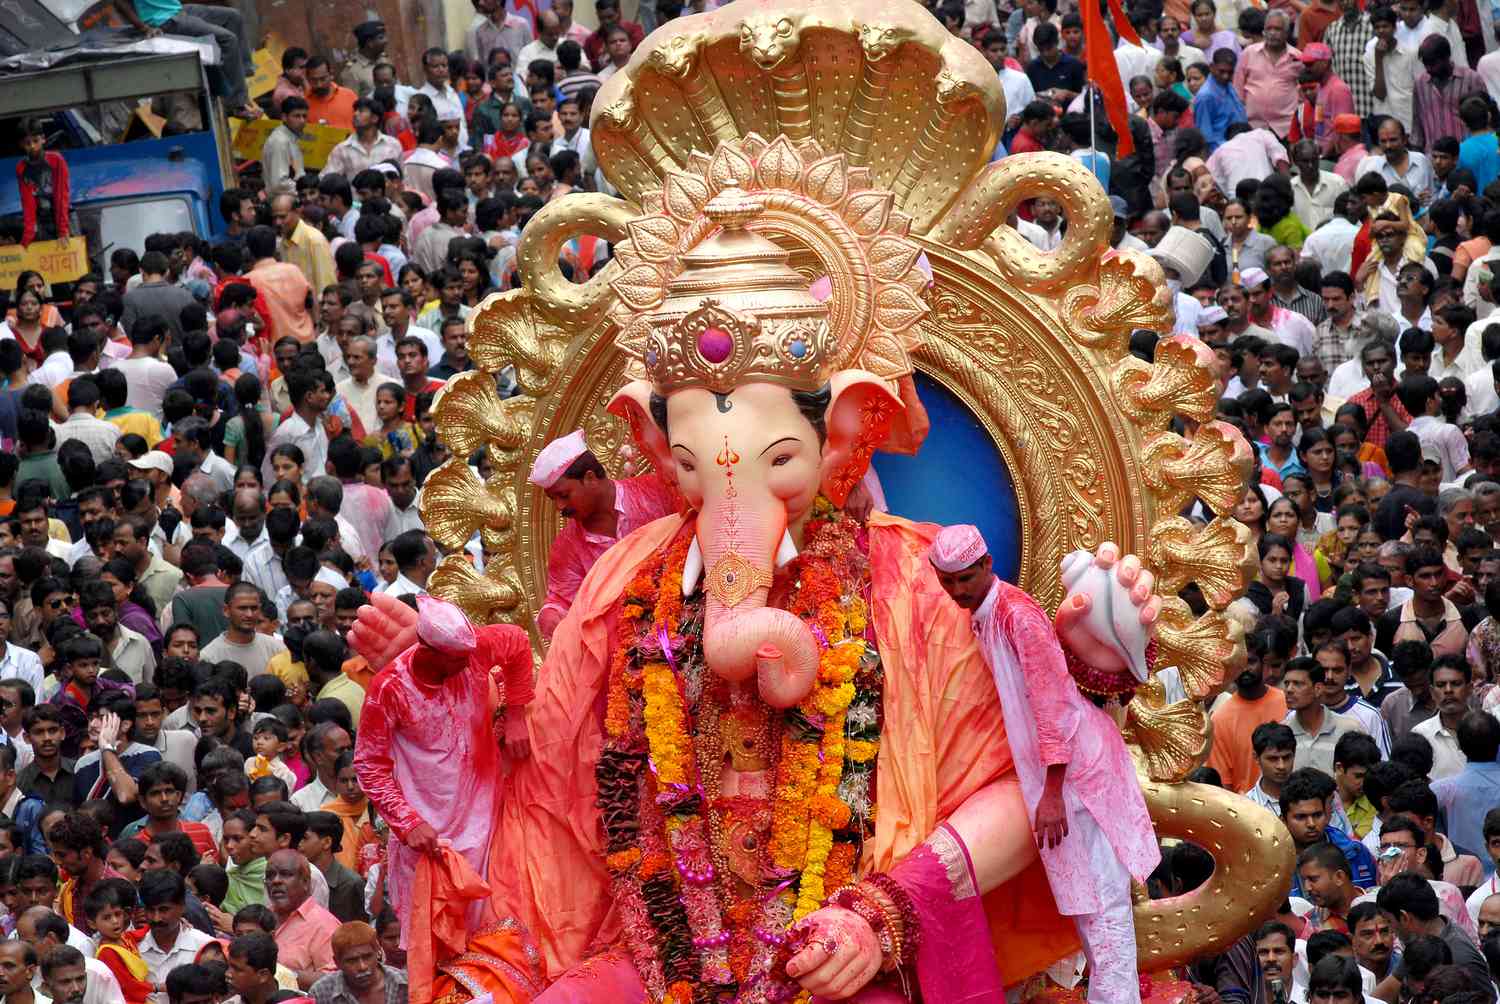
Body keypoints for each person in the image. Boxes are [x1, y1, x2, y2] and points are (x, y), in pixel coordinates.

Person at [927, 528, 1159, 1004]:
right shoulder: (985, 614)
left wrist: (1053, 793)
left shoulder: (1017, 615)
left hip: (1080, 775)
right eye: (947, 581)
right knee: (1090, 910)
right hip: (1060, 775)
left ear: (987, 565)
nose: (957, 591)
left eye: (965, 578)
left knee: (1107, 909)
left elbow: (1055, 707)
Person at [528, 430, 678, 640]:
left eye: (564, 495)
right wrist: (553, 616)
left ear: (590, 478)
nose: (560, 506)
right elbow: (561, 601)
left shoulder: (656, 493)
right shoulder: (566, 547)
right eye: (554, 499)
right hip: (621, 646)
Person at [1377, 873, 1491, 987]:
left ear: (1404, 918)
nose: (1391, 930)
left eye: (1389, 921)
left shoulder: (1461, 958)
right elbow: (1388, 989)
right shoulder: (1419, 944)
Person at [136, 870, 213, 1004]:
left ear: (182, 907)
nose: (156, 918)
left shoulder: (205, 947)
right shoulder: (130, 947)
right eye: (150, 910)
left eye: (164, 909)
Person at [264, 850, 337, 990]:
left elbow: (334, 981)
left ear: (305, 882)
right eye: (270, 876)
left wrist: (283, 974)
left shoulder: (324, 925)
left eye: (286, 874)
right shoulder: (261, 917)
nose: (276, 881)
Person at [201, 584, 287, 681]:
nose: (249, 614)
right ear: (226, 611)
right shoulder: (210, 656)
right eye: (242, 608)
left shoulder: (277, 648)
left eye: (254, 608)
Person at [309, 922, 406, 1004]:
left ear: (378, 952)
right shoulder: (321, 993)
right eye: (351, 960)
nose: (362, 967)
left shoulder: (405, 984)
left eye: (367, 957)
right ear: (337, 962)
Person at [15, 119, 69, 247]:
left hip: (64, 217)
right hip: (42, 220)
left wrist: (62, 230)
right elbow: (28, 203)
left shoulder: (56, 160)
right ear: (21, 144)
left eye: (35, 141)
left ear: (43, 139)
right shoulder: (21, 168)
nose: (32, 146)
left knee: (67, 249)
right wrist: (28, 234)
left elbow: (61, 195)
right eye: (27, 143)